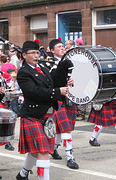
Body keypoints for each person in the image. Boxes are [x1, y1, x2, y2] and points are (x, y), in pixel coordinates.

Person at [16, 41, 70, 180]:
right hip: (32, 116)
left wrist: (65, 81)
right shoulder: (23, 73)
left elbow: (52, 84)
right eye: (32, 53)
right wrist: (58, 91)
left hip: (48, 116)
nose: (36, 55)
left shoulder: (44, 68)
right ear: (24, 55)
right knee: (43, 152)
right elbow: (35, 92)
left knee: (36, 152)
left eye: (37, 53)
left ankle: (22, 174)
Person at [49, 39, 79, 169]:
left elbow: (70, 80)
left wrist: (71, 81)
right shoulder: (49, 64)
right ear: (52, 50)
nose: (62, 48)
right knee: (65, 128)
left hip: (68, 98)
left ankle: (54, 148)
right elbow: (54, 81)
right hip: (57, 99)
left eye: (63, 46)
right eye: (59, 46)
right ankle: (70, 158)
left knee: (62, 129)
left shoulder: (68, 62)